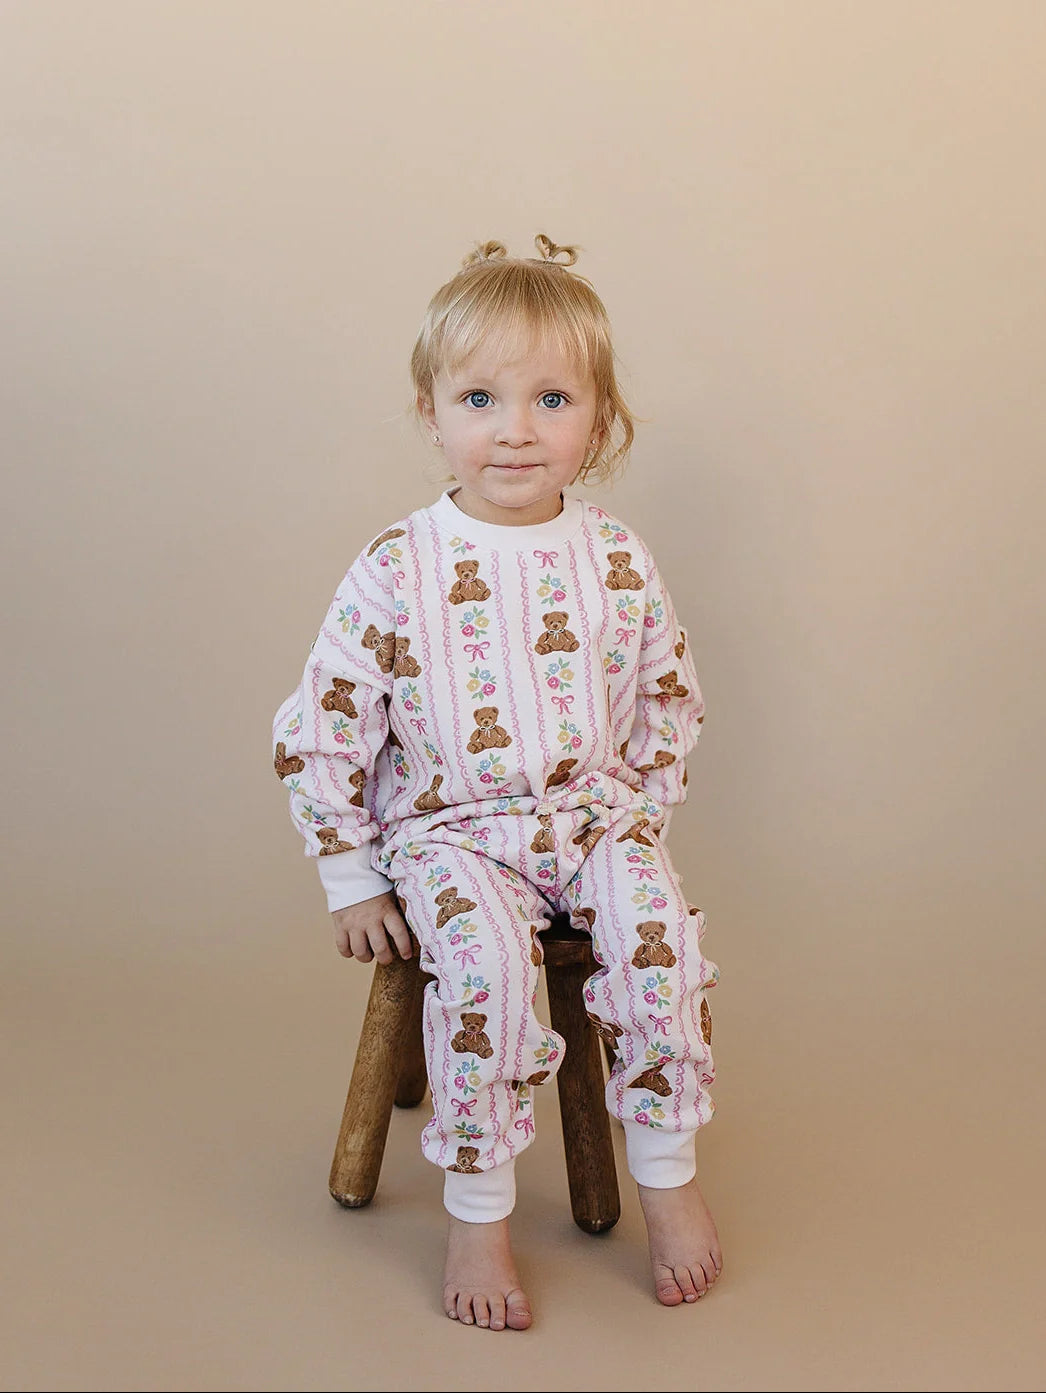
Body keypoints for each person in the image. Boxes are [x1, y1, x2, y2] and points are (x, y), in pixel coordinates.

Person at [272, 234, 722, 1331]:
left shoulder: (617, 558)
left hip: (591, 818)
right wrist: (349, 874)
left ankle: (667, 1175)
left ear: (598, 422)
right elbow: (325, 722)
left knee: (660, 940)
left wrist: (639, 822)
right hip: (451, 832)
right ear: (432, 413)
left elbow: (666, 694)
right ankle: (478, 1208)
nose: (514, 429)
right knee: (483, 971)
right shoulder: (399, 564)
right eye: (480, 398)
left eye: (550, 399)